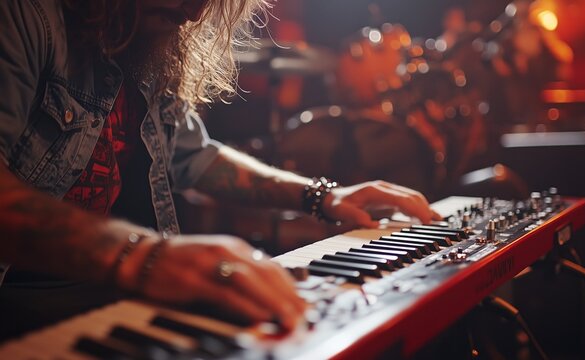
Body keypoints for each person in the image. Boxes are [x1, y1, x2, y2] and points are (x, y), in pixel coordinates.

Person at [0, 0, 441, 339]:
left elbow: (196, 155)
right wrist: (145, 257)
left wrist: (321, 196)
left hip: (122, 306)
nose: (195, 12)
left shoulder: (144, 46)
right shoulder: (27, 17)